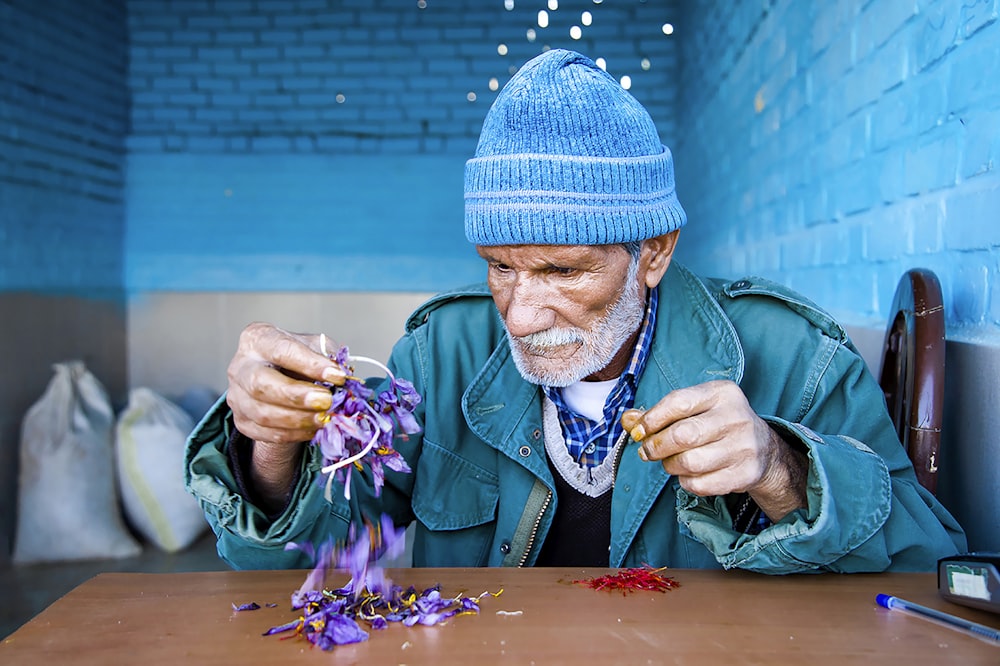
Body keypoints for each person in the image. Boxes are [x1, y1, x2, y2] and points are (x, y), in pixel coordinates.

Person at [185, 49, 965, 573]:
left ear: (653, 251)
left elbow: (935, 563)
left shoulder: (793, 354)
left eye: (563, 270)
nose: (521, 315)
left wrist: (781, 470)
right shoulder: (440, 351)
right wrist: (270, 448)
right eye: (499, 269)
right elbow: (304, 559)